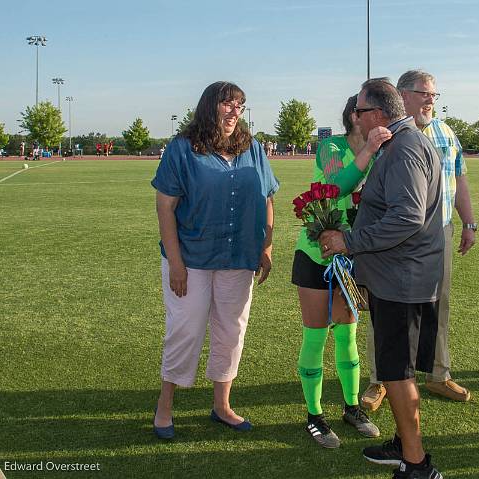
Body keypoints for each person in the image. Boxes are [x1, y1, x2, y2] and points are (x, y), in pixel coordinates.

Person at [320, 79, 444, 479]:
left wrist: (349, 240)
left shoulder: (405, 148)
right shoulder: (403, 142)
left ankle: (417, 462)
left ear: (376, 114)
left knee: (396, 372)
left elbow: (407, 217)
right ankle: (405, 443)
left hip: (402, 280)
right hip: (402, 276)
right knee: (397, 368)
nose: (353, 117)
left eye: (357, 110)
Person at [151, 81, 279, 440]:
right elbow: (165, 207)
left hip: (239, 257)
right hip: (191, 259)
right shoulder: (181, 149)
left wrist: (266, 245)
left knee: (231, 332)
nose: (234, 110)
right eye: (227, 103)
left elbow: (268, 198)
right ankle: (165, 407)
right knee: (185, 331)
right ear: (210, 106)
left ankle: (222, 405)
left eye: (240, 104)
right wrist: (175, 263)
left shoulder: (253, 148)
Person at [361, 70, 476, 411]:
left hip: (438, 232)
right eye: (424, 93)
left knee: (438, 305)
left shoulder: (444, 132)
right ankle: (380, 379)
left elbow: (460, 179)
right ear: (402, 95)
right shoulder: (380, 135)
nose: (430, 99)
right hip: (393, 236)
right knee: (384, 308)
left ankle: (438, 373)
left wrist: (469, 222)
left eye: (433, 95)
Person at [292, 94, 386, 449]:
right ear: (354, 116)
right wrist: (368, 151)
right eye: (370, 112)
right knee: (316, 335)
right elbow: (335, 188)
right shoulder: (330, 146)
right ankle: (314, 416)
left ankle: (351, 408)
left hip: (352, 255)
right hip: (316, 253)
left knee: (347, 334)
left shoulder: (381, 152)